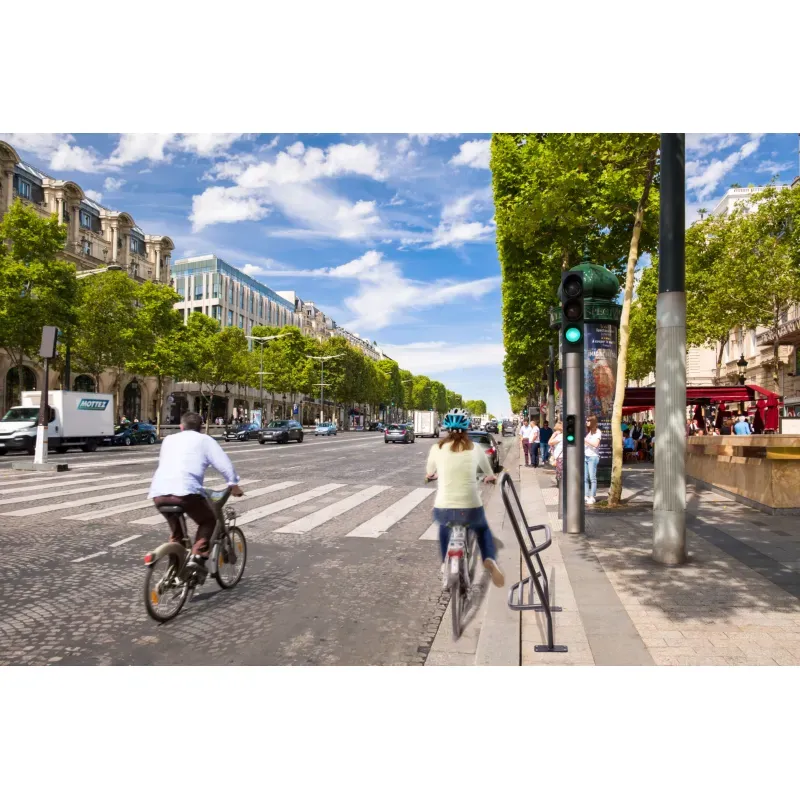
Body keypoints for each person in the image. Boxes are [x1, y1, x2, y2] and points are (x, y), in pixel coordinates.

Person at [148, 411, 244, 577]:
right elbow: (223, 464)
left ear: (181, 426)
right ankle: (198, 558)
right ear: (201, 428)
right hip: (185, 491)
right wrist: (233, 485)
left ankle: (176, 573)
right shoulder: (205, 440)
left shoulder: (169, 440)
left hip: (159, 493)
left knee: (177, 536)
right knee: (208, 521)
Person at [425, 410, 504, 588]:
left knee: (444, 526)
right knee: (482, 529)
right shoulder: (475, 448)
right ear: (467, 428)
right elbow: (489, 472)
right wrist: (489, 478)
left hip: (444, 506)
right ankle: (489, 559)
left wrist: (431, 476)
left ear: (446, 429)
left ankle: (445, 563)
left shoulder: (437, 448)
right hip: (471, 506)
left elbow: (430, 473)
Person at [584, 415, 602, 505]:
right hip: (586, 456)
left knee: (592, 477)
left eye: (588, 421)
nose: (586, 422)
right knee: (585, 477)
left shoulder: (597, 432)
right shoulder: (589, 432)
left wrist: (585, 441)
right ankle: (586, 495)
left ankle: (592, 496)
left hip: (593, 457)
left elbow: (596, 444)